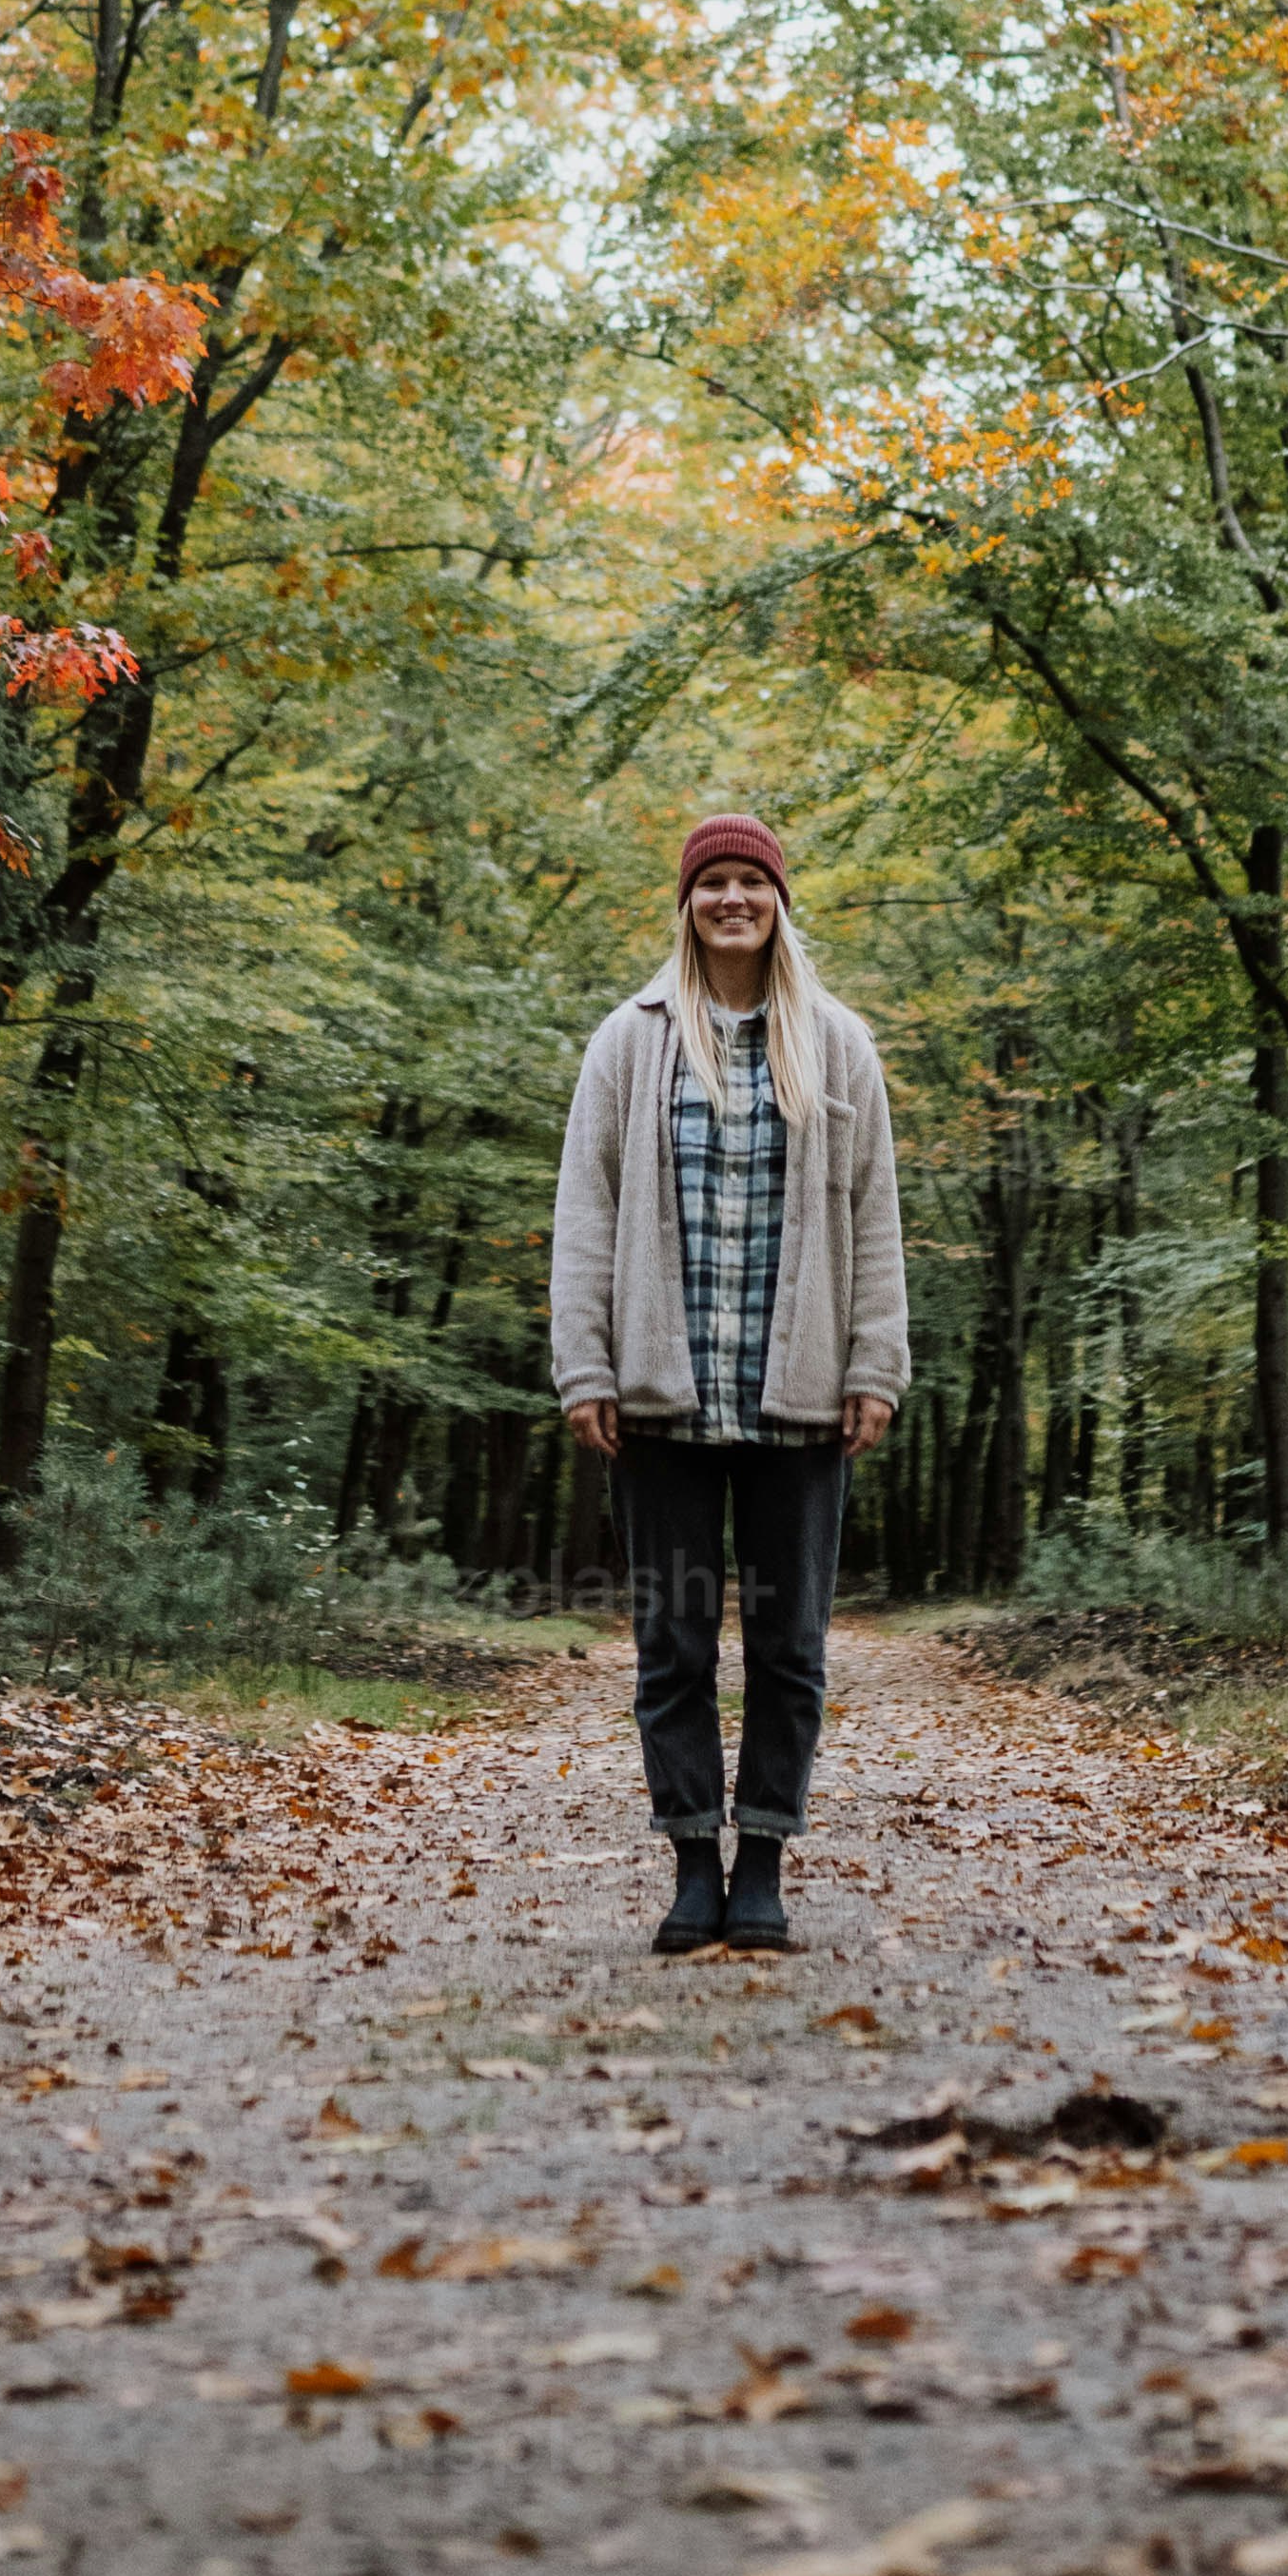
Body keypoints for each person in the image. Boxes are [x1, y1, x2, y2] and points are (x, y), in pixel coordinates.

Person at [549, 814, 908, 1949]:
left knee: (791, 1645)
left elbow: (874, 1222)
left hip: (794, 1394)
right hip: (662, 1393)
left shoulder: (836, 1042)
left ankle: (762, 1865)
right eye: (714, 882)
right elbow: (585, 1210)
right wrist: (584, 1365)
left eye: (752, 880)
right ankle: (691, 1866)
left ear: (779, 901)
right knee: (674, 1643)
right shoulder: (630, 1038)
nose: (733, 898)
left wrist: (873, 1365)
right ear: (688, 902)